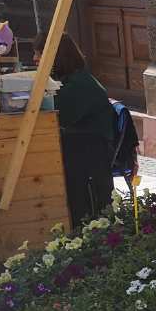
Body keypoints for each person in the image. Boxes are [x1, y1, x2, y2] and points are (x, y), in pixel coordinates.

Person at [35, 32, 116, 226]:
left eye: (39, 53)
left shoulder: (80, 84)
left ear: (57, 56)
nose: (35, 59)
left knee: (88, 213)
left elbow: (59, 114)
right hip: (81, 149)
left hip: (89, 156)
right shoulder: (70, 80)